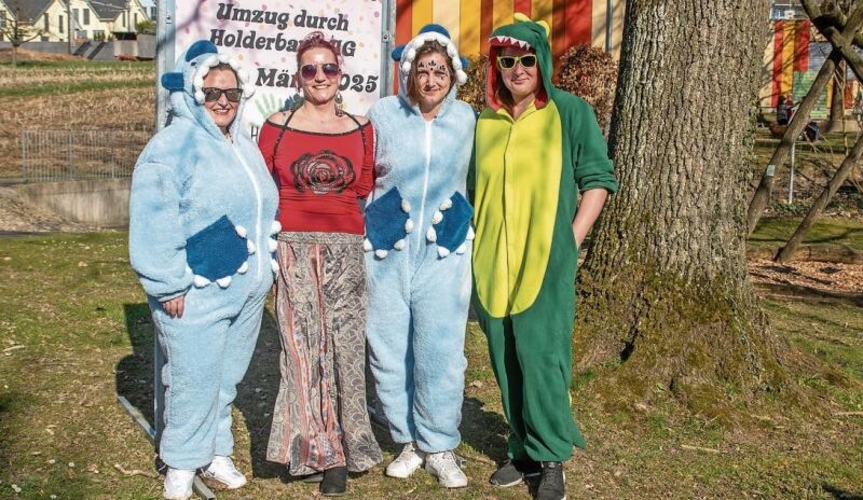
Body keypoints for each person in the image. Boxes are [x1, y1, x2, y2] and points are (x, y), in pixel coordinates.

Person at [470, 14, 618, 500]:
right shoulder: (484, 122)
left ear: (543, 62)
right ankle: (521, 449)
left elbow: (597, 179)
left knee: (542, 357)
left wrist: (570, 241)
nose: (517, 69)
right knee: (504, 355)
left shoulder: (569, 112)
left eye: (527, 60)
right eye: (507, 61)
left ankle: (551, 455)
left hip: (544, 262)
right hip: (492, 262)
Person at [128, 40, 280, 500]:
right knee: (193, 378)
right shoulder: (172, 146)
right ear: (193, 92)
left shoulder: (243, 144)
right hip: (195, 293)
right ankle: (179, 462)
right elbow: (154, 219)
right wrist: (166, 282)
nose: (221, 101)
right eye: (212, 92)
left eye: (230, 94)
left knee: (224, 377)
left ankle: (214, 450)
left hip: (246, 289)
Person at [257, 31, 382, 496]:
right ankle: (318, 450)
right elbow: (261, 187)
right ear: (299, 76)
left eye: (328, 67)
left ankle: (351, 445)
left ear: (340, 72)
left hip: (347, 247)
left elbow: (363, 188)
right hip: (293, 245)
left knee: (346, 350)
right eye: (310, 69)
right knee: (303, 350)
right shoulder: (278, 126)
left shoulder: (362, 128)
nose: (320, 77)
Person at [363, 24, 476, 489]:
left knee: (441, 352)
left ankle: (440, 444)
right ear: (408, 73)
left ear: (452, 74)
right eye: (423, 69)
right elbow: (361, 174)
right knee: (388, 351)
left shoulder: (467, 119)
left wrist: (464, 220)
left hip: (443, 253)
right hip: (388, 250)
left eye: (440, 69)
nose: (431, 79)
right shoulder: (382, 115)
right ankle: (407, 440)